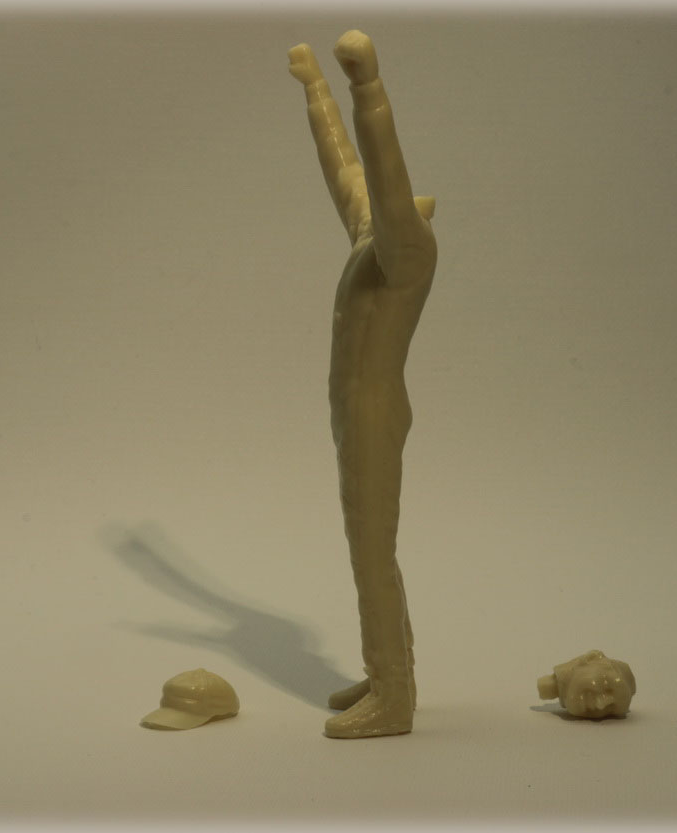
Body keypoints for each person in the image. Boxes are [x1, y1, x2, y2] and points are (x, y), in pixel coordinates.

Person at [288, 30, 437, 739]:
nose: (380, 206)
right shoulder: (370, 238)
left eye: (394, 207)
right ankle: (388, 673)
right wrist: (316, 89)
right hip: (355, 412)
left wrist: (366, 86)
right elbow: (343, 166)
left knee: (372, 551)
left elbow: (380, 170)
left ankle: (394, 695)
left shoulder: (408, 256)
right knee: (369, 547)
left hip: (375, 412)